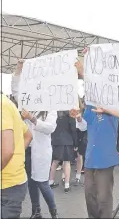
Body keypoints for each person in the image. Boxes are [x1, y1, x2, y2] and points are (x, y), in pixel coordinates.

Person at [71, 59, 119, 218]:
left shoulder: (113, 102)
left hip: (105, 158)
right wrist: (78, 118)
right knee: (90, 195)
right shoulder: (90, 105)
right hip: (91, 157)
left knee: (104, 198)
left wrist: (85, 73)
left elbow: (101, 89)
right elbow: (85, 125)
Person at [11, 59, 59, 218]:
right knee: (31, 182)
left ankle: (54, 212)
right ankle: (36, 211)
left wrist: (32, 119)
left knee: (42, 183)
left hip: (41, 151)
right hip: (27, 150)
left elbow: (50, 128)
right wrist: (18, 70)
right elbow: (16, 91)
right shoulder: (28, 102)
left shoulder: (51, 108)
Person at [1, 93, 32, 219]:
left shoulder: (2, 105)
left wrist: (13, 154)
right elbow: (28, 135)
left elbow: (7, 151)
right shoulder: (7, 104)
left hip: (8, 186)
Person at [49, 111, 78, 192]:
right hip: (67, 141)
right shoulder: (70, 116)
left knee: (55, 162)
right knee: (67, 162)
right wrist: (76, 144)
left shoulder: (55, 114)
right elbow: (73, 130)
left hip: (56, 140)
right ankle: (66, 185)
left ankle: (50, 181)